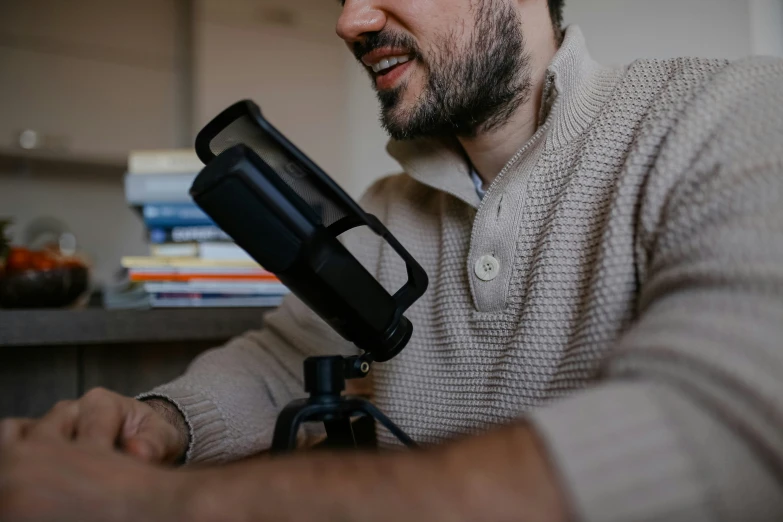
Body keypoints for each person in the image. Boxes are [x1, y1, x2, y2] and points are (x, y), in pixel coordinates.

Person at [2, 0, 783, 520]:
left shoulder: (731, 114)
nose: (349, 19)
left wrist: (159, 506)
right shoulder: (382, 207)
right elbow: (285, 360)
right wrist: (163, 424)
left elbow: (727, 433)